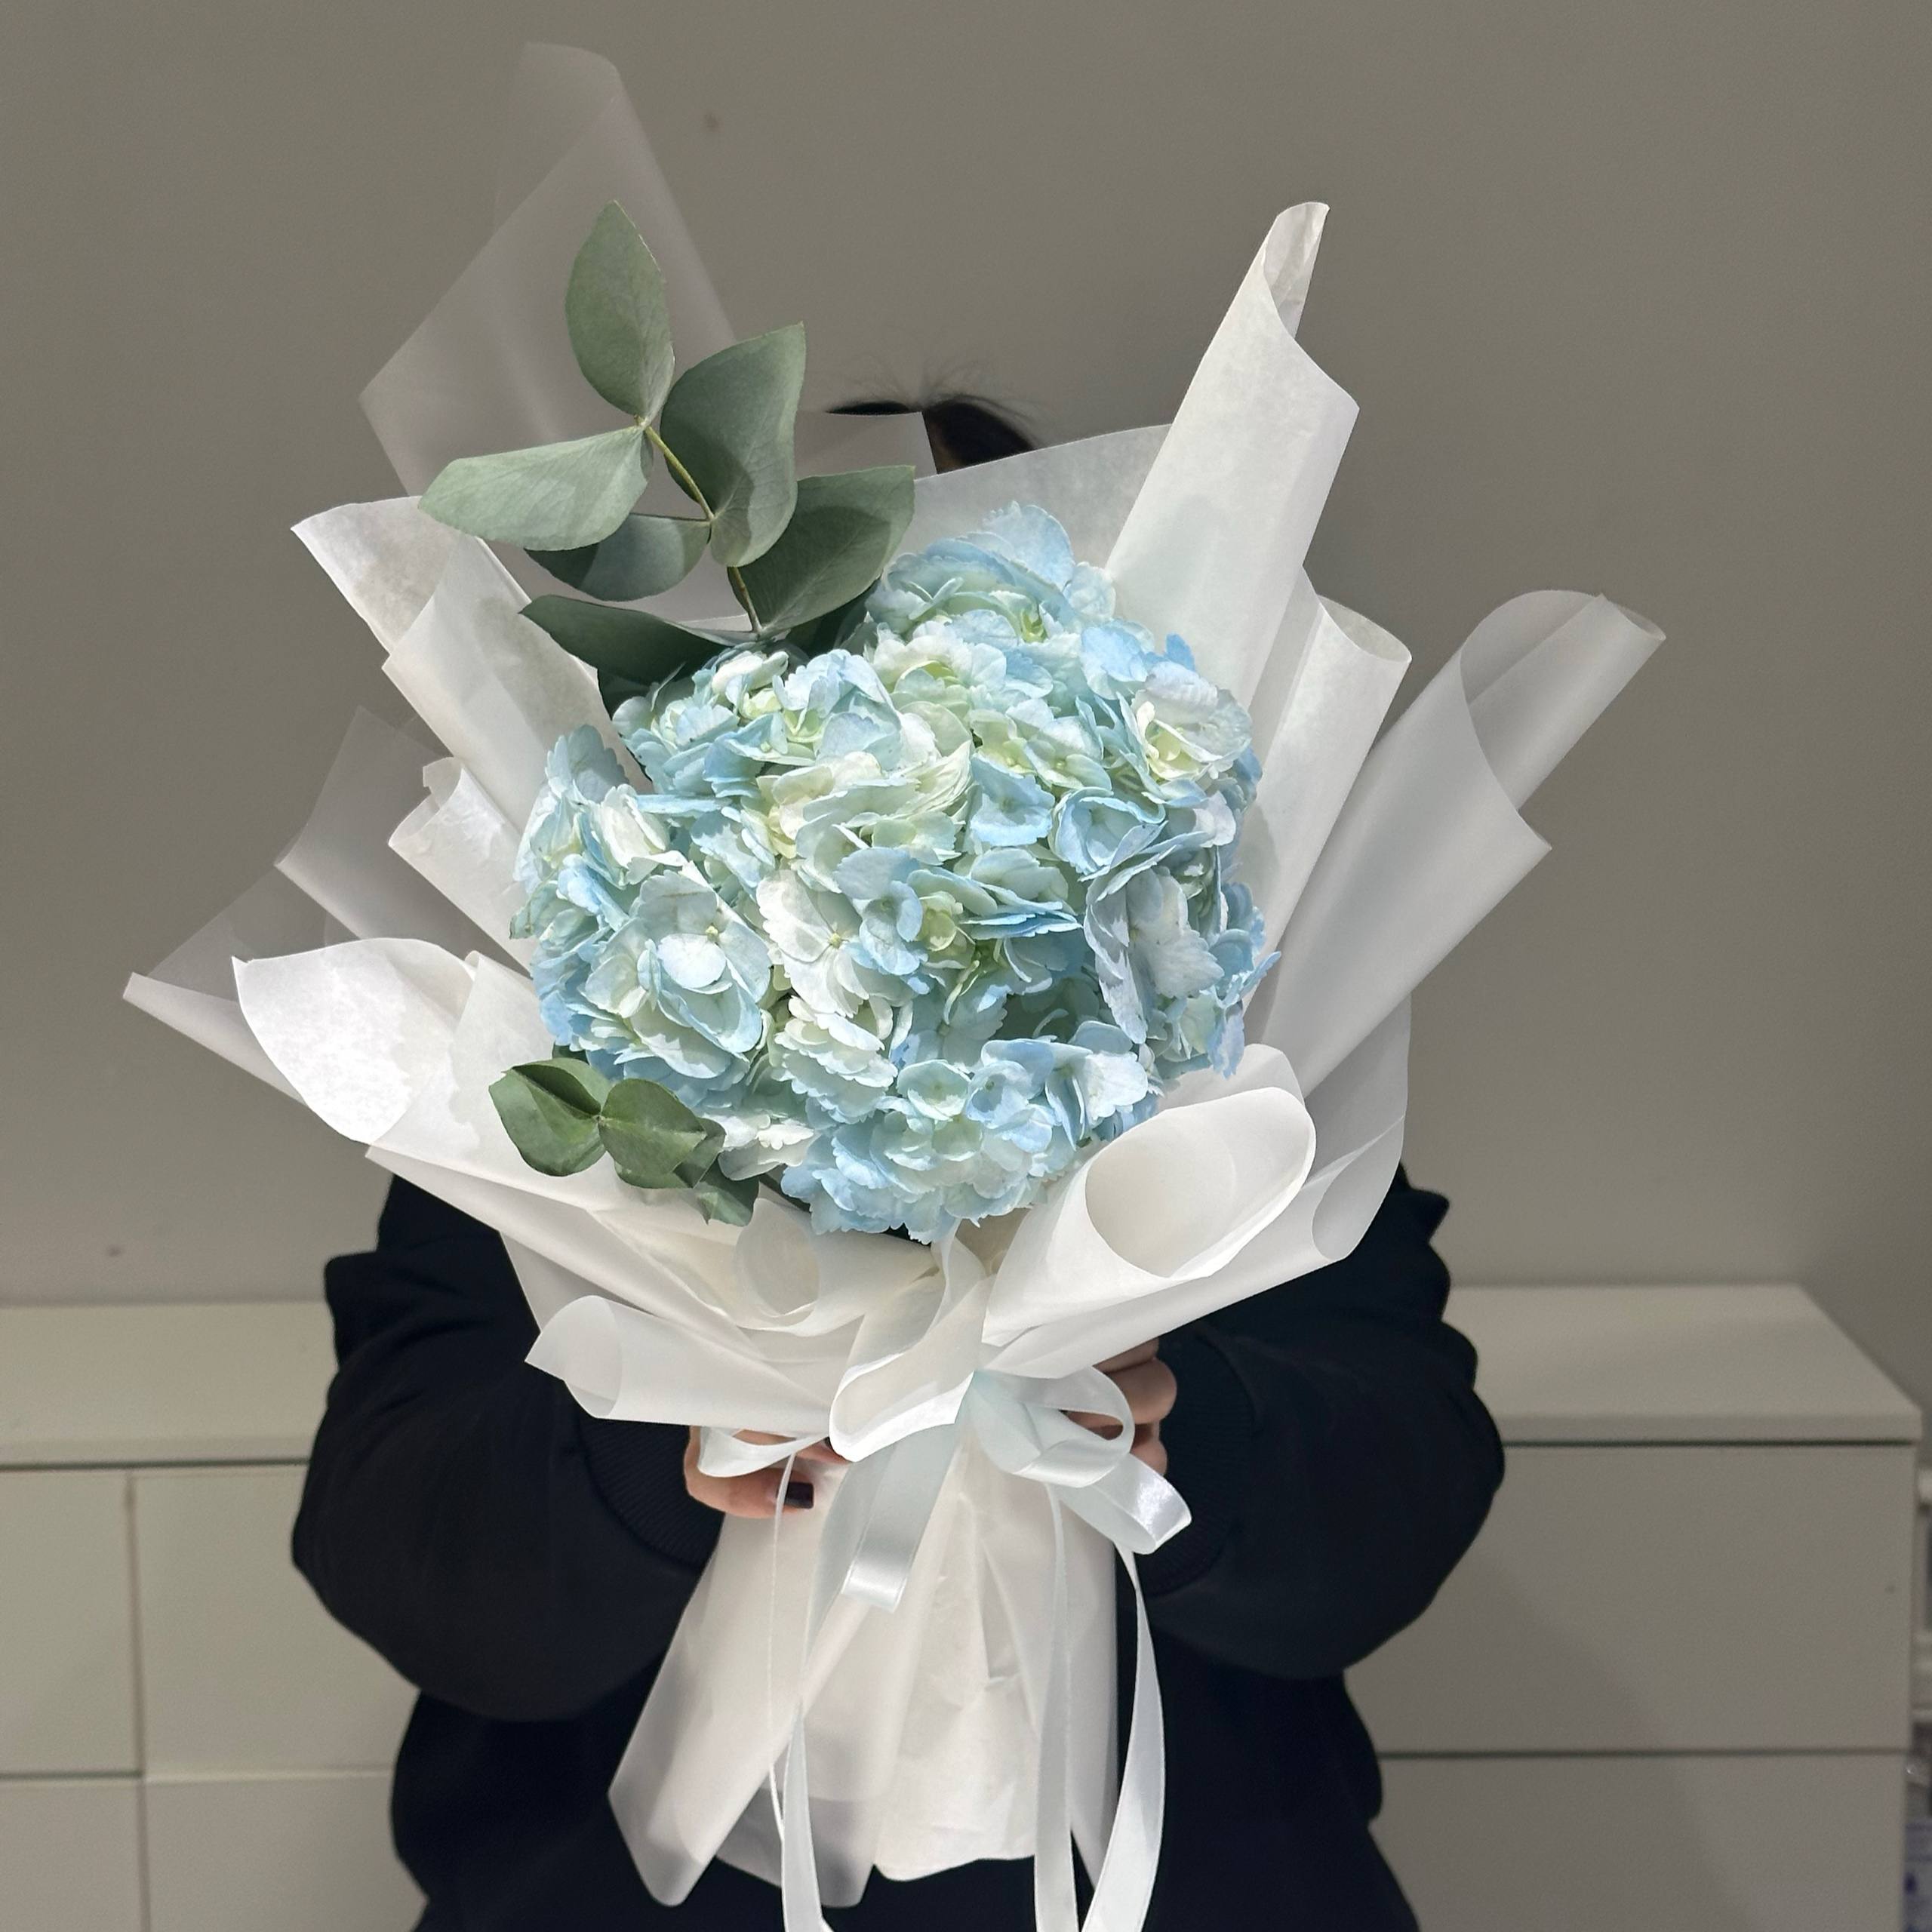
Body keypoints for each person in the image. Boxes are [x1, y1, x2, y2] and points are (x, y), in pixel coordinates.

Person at [293, 396, 1505, 1932]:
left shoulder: (1241, 1063)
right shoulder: (556, 1081)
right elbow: (409, 1560)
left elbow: (1400, 1501)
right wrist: (667, 1426)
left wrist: (1167, 1411)